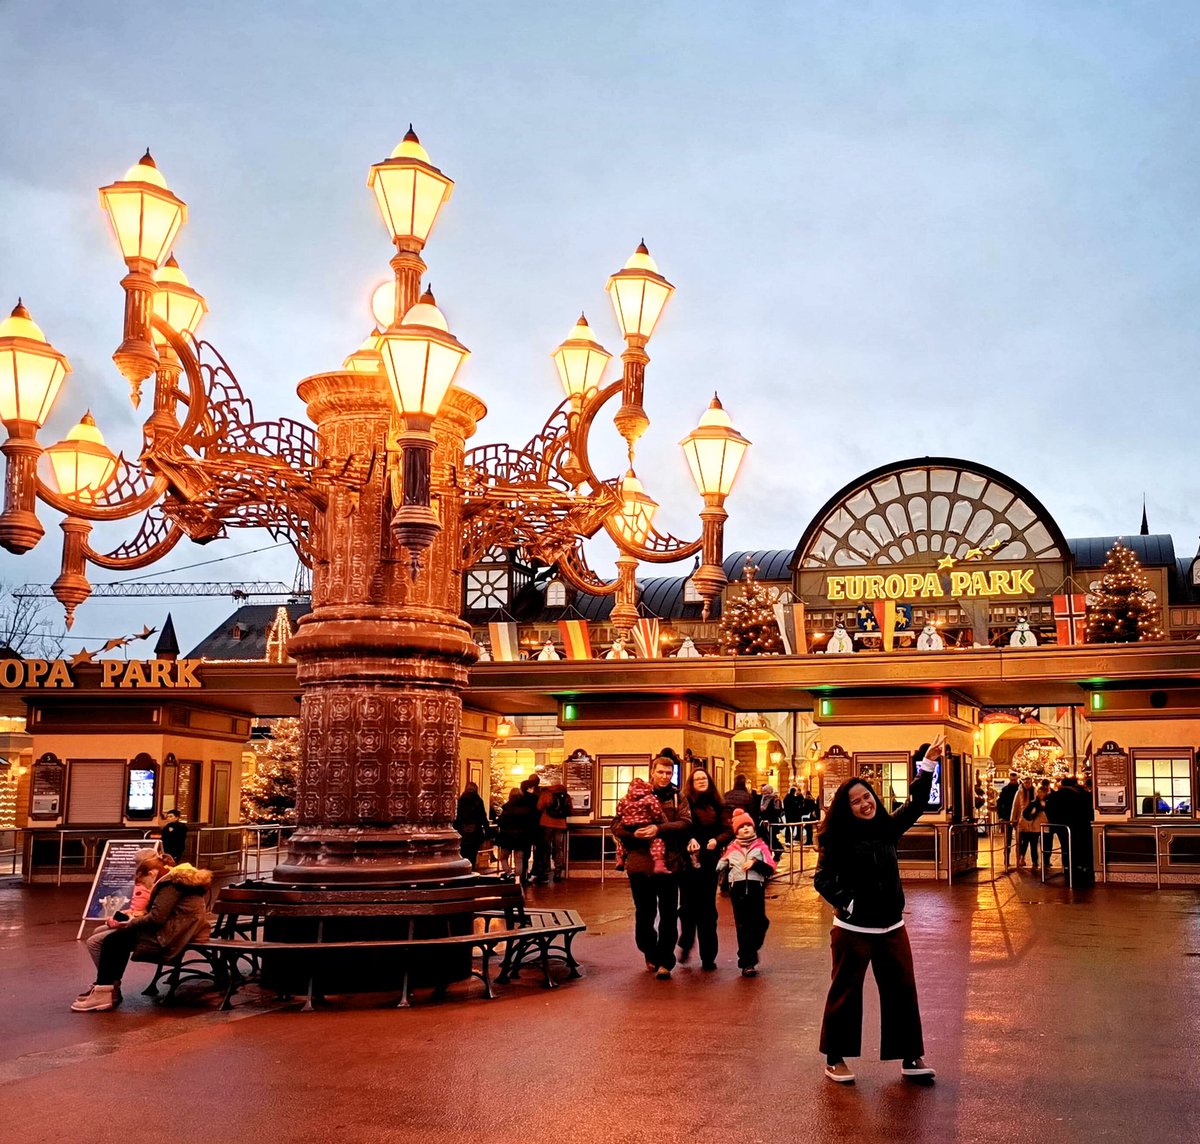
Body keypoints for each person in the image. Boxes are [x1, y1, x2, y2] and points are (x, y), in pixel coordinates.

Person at [813, 736, 944, 1085]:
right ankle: (835, 1058)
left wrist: (928, 765)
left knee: (902, 990)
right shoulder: (836, 838)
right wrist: (849, 903)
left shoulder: (887, 828)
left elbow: (916, 804)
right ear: (846, 808)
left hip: (891, 927)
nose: (864, 803)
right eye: (855, 801)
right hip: (853, 930)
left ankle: (910, 1057)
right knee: (845, 992)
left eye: (867, 796)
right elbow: (822, 879)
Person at [72, 862, 214, 1012]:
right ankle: (106, 989)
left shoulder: (171, 885)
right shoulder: (178, 881)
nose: (145, 887)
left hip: (171, 935)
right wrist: (131, 919)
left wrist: (130, 923)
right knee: (116, 938)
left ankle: (105, 992)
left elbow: (156, 918)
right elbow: (161, 913)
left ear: (152, 873)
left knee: (114, 941)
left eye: (143, 882)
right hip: (179, 930)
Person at [611, 754, 692, 979]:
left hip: (669, 863)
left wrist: (659, 829)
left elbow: (685, 823)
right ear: (652, 772)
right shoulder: (635, 794)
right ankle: (649, 949)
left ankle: (665, 961)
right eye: (661, 772)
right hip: (639, 864)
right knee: (644, 913)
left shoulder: (677, 797)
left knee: (668, 914)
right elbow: (616, 823)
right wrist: (633, 834)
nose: (665, 776)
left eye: (669, 773)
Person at [80, 851, 168, 997]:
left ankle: (108, 982)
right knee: (100, 932)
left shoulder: (152, 886)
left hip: (150, 931)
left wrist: (127, 920)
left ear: (150, 872)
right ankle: (109, 981)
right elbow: (144, 911)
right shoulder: (159, 883)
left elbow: (149, 914)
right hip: (148, 926)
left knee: (95, 942)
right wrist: (125, 916)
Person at [678, 766, 730, 970]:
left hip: (709, 860)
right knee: (687, 907)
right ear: (691, 783)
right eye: (697, 778)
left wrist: (717, 841)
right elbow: (680, 826)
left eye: (704, 778)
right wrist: (688, 839)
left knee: (707, 909)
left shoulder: (717, 804)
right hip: (688, 861)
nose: (701, 781)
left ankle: (708, 956)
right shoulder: (685, 803)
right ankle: (686, 942)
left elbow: (727, 830)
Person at [716, 808, 777, 976]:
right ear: (736, 831)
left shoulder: (761, 846)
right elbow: (720, 866)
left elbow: (771, 868)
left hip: (756, 889)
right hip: (738, 890)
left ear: (753, 827)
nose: (745, 829)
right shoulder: (731, 848)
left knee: (760, 922)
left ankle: (751, 948)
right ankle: (747, 962)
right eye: (741, 827)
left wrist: (755, 863)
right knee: (743, 925)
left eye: (748, 826)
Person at [495, 786, 538, 881]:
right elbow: (530, 822)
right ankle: (518, 879)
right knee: (519, 859)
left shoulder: (507, 807)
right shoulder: (526, 808)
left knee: (503, 857)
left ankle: (509, 873)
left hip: (507, 837)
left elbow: (501, 821)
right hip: (521, 837)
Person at [535, 779, 574, 883]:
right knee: (558, 848)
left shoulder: (546, 793)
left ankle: (545, 871)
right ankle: (558, 872)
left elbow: (539, 807)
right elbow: (570, 810)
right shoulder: (566, 795)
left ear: (552, 784)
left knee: (545, 847)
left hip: (547, 823)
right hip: (560, 825)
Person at [453, 781, 490, 870]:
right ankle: (471, 870)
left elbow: (456, 817)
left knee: (463, 853)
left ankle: (463, 870)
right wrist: (487, 830)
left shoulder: (460, 801)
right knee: (472, 854)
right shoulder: (478, 801)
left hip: (462, 832)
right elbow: (483, 817)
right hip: (475, 833)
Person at [1010, 776, 1041, 870]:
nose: (1027, 784)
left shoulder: (1035, 792)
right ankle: (1022, 858)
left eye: (1029, 782)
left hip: (1034, 821)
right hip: (1023, 821)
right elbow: (1015, 806)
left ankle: (1035, 861)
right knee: (1024, 842)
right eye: (1025, 782)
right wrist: (1013, 819)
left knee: (1034, 843)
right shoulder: (1019, 792)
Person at [995, 771, 1020, 865]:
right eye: (1012, 780)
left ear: (1017, 779)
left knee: (1019, 840)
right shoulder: (1005, 790)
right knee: (1007, 839)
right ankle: (1006, 859)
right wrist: (1001, 816)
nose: (1013, 781)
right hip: (1007, 816)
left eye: (1014, 780)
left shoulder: (1020, 789)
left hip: (1017, 817)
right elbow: (999, 803)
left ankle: (1019, 859)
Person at [758, 783, 784, 861]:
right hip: (764, 822)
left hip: (772, 822)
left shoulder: (774, 799)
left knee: (772, 838)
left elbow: (777, 810)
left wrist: (767, 814)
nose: (764, 793)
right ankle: (773, 852)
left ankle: (778, 850)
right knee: (768, 838)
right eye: (763, 791)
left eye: (765, 791)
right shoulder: (763, 799)